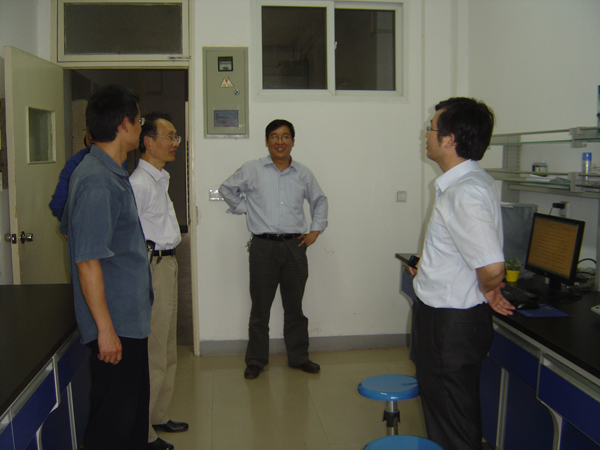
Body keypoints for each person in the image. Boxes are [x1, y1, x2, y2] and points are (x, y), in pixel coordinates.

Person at [409, 97, 515, 450]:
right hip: (454, 321)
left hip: (448, 325)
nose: (426, 135)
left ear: (449, 139)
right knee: (455, 415)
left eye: (431, 128)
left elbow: (492, 267)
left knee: (451, 426)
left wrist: (490, 288)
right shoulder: (473, 181)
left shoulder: (463, 192)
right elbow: (466, 247)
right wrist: (430, 260)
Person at [59, 85, 153, 450]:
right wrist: (105, 330)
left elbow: (73, 232)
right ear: (124, 124)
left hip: (128, 320)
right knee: (113, 426)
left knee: (130, 420)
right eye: (139, 121)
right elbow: (87, 260)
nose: (141, 128)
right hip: (116, 327)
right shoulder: (97, 180)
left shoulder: (108, 172)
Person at [219, 119, 328, 380]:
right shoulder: (252, 169)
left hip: (295, 246)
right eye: (275, 137)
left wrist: (315, 230)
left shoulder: (303, 173)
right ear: (267, 141)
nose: (280, 142)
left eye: (285, 136)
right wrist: (246, 210)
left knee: (295, 307)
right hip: (263, 247)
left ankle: (299, 357)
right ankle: (256, 360)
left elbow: (320, 201)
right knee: (260, 309)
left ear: (293, 141)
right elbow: (227, 189)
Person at [129, 112, 188, 450]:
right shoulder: (139, 184)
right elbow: (129, 237)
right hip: (153, 267)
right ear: (147, 141)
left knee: (167, 346)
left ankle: (159, 415)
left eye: (176, 136)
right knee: (154, 350)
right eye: (169, 136)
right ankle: (144, 432)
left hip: (168, 263)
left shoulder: (159, 179)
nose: (175, 142)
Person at [49, 130, 94, 221]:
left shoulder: (118, 161)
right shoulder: (77, 161)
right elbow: (58, 203)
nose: (90, 137)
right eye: (88, 131)